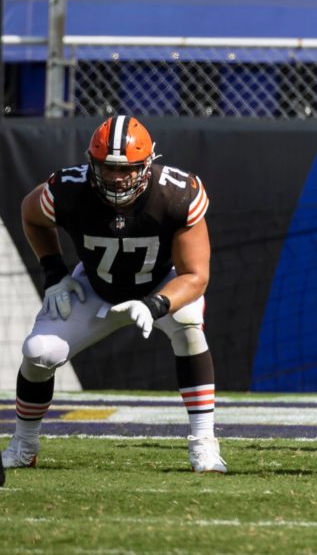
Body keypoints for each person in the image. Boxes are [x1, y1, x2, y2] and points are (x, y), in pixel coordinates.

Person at [1, 115, 226, 475]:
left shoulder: (175, 194)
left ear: (148, 164)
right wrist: (55, 274)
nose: (117, 178)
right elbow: (31, 215)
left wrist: (155, 304)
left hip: (159, 284)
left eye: (128, 169)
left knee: (187, 324)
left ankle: (203, 443)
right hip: (94, 285)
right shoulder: (69, 189)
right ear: (92, 163)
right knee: (39, 353)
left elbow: (195, 276)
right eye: (108, 168)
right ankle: (24, 444)